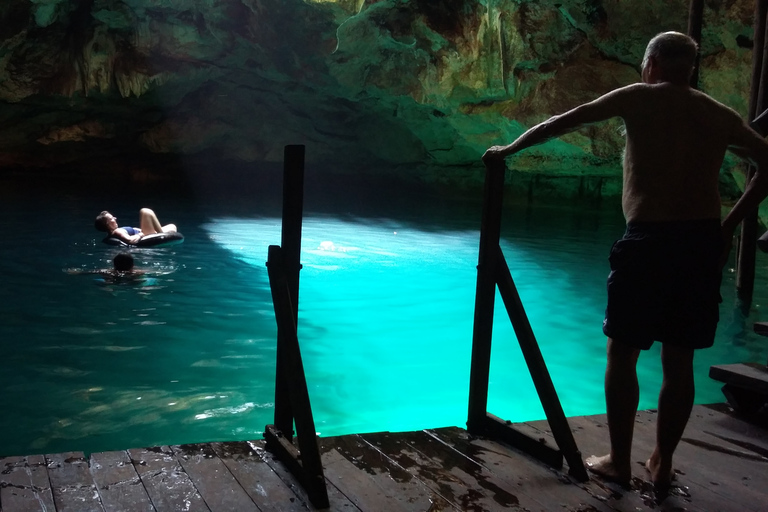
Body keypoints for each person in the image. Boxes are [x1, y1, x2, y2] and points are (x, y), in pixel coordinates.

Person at [483, 31, 768, 493]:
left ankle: (619, 460)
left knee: (623, 352)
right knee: (680, 359)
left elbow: (565, 120)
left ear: (651, 64)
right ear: (690, 69)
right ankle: (662, 460)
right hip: (699, 243)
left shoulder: (639, 97)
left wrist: (508, 151)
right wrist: (730, 224)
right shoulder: (718, 114)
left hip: (650, 240)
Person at [94, 208, 177, 245]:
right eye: (112, 218)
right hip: (146, 234)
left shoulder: (114, 233)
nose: (115, 218)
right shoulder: (116, 231)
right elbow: (130, 240)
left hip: (147, 233)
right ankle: (161, 235)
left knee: (172, 226)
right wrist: (141, 233)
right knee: (145, 211)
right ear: (107, 224)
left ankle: (161, 234)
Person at [66, 252, 146, 280]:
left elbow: (91, 272)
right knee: (139, 281)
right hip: (132, 281)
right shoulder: (138, 272)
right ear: (133, 265)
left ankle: (110, 290)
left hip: (114, 280)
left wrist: (77, 272)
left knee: (108, 281)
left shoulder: (108, 272)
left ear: (114, 264)